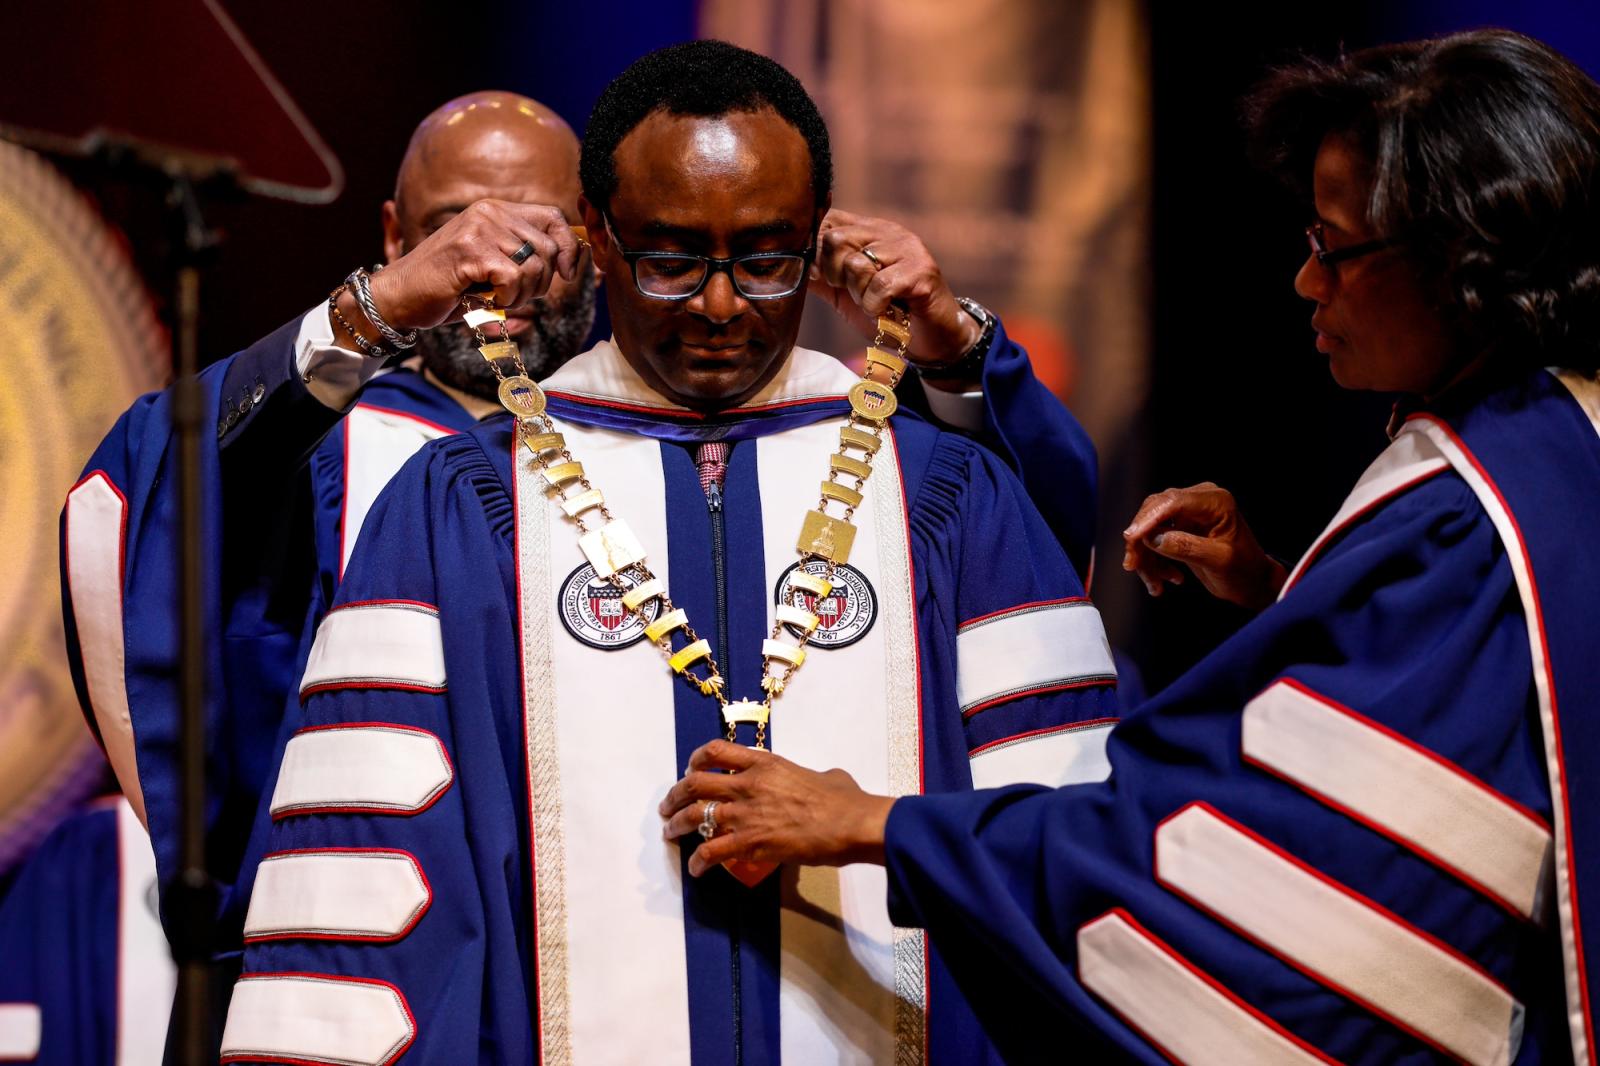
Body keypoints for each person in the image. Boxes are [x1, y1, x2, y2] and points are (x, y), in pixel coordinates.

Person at [661, 29, 1600, 1064]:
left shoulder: (1470, 514)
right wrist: (1288, 592)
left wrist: (874, 823)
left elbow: (1205, 855)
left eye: (1332, 244)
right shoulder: (1549, 451)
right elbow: (1493, 696)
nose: (1302, 280)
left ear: (1454, 260)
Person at [215, 40, 1117, 1065]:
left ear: (817, 244)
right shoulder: (464, 500)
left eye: (767, 259)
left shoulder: (941, 493)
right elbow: (372, 884)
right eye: (673, 259)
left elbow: (1065, 837)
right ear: (597, 242)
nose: (722, 307)